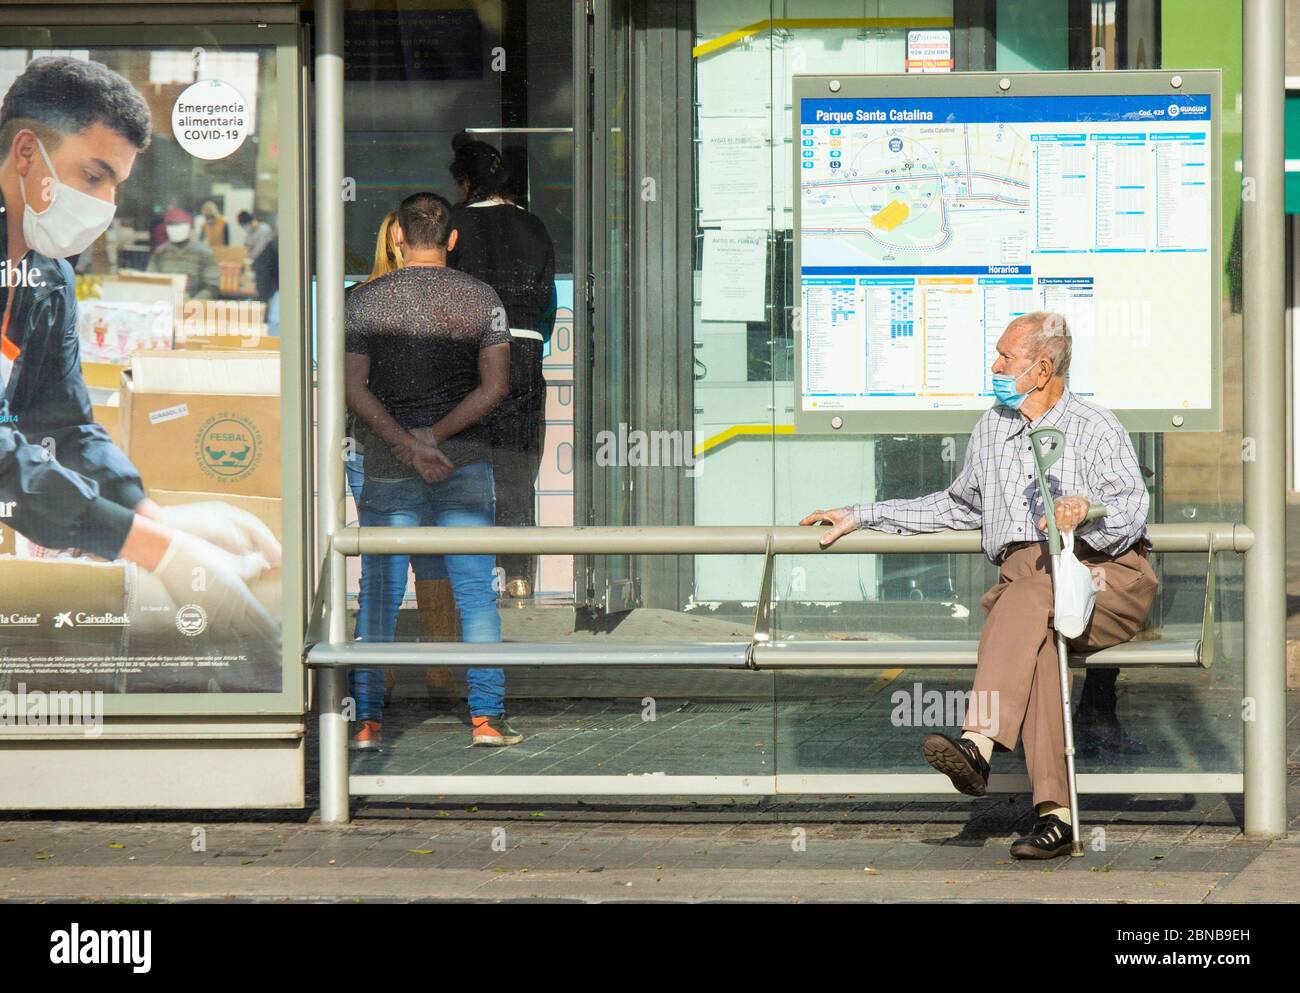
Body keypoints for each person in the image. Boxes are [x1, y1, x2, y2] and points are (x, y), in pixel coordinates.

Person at [801, 312, 1157, 860]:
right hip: (1029, 587)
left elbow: (1133, 508)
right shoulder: (993, 425)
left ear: (1041, 369)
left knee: (1035, 593)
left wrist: (1086, 510)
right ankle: (1056, 819)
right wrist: (862, 514)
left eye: (1004, 358)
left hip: (1102, 576)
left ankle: (979, 742)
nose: (993, 366)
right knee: (1036, 641)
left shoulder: (1094, 424)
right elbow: (956, 504)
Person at [0, 56, 277, 640]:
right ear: (27, 151)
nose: (106, 204)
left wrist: (148, 512)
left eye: (115, 185)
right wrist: (156, 548)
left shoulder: (48, 278)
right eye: (94, 176)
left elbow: (65, 422)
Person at [344, 191, 515, 750]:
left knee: (379, 594)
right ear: (453, 239)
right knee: (475, 597)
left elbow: (352, 389)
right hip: (462, 462)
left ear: (398, 237)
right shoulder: (481, 298)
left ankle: (367, 721)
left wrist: (403, 442)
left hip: (387, 464)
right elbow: (496, 388)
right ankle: (486, 719)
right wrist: (434, 439)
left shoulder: (364, 302)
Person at [343, 212, 458, 742]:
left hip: (384, 446)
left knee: (400, 567)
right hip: (392, 447)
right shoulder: (370, 300)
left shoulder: (357, 301)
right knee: (404, 567)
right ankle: (409, 681)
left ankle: (394, 688)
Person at [447, 133, 556, 599]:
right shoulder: (533, 226)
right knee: (518, 473)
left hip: (469, 359)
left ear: (466, 182)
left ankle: (465, 578)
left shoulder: (451, 226)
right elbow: (547, 304)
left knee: (464, 471)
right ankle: (518, 576)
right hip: (525, 356)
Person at [147, 207, 221, 299]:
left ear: (188, 226)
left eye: (179, 224)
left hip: (194, 307)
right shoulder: (160, 252)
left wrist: (192, 304)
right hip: (163, 305)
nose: (175, 228)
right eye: (172, 224)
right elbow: (150, 281)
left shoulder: (204, 253)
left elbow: (212, 286)